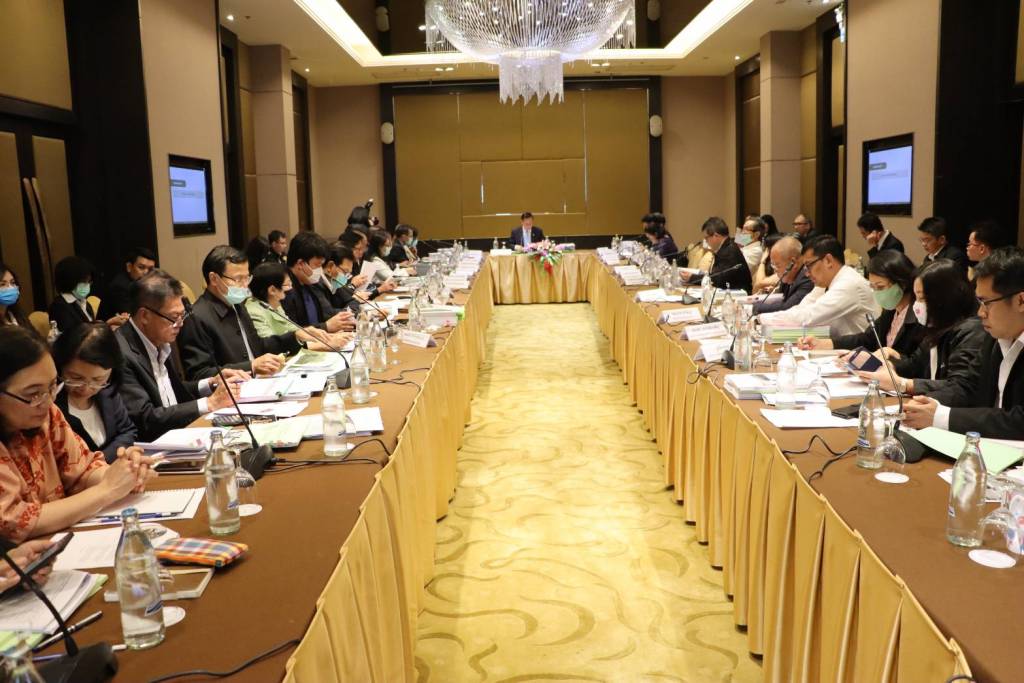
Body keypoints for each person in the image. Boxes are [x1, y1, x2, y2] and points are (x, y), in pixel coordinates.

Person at [0, 326, 155, 542]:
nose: (48, 402)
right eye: (34, 394)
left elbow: (83, 469)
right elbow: (13, 521)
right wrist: (107, 490)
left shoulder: (49, 416)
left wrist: (124, 472)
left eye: (52, 387)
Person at [903, 247, 1024, 438]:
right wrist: (923, 404)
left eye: (986, 302)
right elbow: (967, 387)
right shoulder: (996, 337)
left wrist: (941, 417)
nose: (981, 312)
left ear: (1021, 301)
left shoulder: (980, 331)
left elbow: (1019, 420)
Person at [117, 271, 246, 441]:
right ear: (145, 316)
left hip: (180, 434)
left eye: (182, 315)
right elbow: (145, 418)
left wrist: (211, 383)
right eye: (174, 317)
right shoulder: (121, 353)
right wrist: (209, 403)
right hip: (153, 446)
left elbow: (170, 392)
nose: (180, 323)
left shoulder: (159, 338)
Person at [854, 259, 985, 395]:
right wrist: (887, 364)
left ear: (946, 297)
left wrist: (903, 385)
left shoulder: (971, 332)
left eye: (922, 298)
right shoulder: (937, 327)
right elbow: (914, 364)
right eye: (916, 298)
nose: (917, 305)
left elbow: (958, 387)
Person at [178, 245, 300, 380]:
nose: (245, 285)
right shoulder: (196, 317)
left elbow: (258, 346)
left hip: (259, 381)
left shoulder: (238, 305)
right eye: (238, 279)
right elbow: (199, 374)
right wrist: (251, 366)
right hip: (234, 390)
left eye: (247, 278)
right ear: (214, 279)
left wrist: (296, 337)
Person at [799, 250, 925, 357]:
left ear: (902, 283)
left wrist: (892, 360)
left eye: (880, 287)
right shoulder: (892, 310)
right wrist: (824, 343)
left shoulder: (920, 315)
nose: (877, 293)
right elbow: (867, 339)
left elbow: (917, 364)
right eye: (873, 287)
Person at [758, 236, 879, 336]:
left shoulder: (848, 284)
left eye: (809, 265)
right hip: (841, 345)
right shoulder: (825, 283)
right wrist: (763, 319)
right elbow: (801, 309)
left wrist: (761, 319)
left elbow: (808, 317)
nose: (806, 273)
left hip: (862, 351)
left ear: (828, 261)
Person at [53, 323, 137, 463]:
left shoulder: (107, 390)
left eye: (98, 380)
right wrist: (96, 465)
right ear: (59, 367)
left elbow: (127, 431)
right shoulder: (52, 406)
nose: (86, 389)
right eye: (76, 378)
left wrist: (101, 460)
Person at [246, 263, 352, 352]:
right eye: (287, 285)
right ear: (272, 290)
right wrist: (324, 345)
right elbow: (273, 346)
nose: (291, 289)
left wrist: (328, 337)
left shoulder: (274, 303)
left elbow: (294, 331)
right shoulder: (254, 312)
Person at [280, 231, 354, 332]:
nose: (320, 270)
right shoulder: (284, 289)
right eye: (317, 265)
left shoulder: (311, 283)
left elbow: (324, 316)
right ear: (300, 263)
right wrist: (326, 327)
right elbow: (291, 331)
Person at [49, 256, 124, 335]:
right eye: (84, 281)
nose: (87, 285)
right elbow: (75, 336)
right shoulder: (59, 306)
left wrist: (109, 325)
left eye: (89, 282)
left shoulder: (85, 303)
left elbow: (92, 328)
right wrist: (107, 324)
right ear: (70, 280)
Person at [687, 217, 752, 293]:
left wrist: (692, 278)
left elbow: (716, 279)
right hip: (728, 291)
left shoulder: (729, 251)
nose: (705, 241)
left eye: (706, 238)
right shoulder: (726, 246)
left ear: (716, 236)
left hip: (738, 295)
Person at [752, 237, 814, 314]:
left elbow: (787, 308)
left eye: (777, 265)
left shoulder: (807, 277)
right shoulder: (789, 275)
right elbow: (781, 300)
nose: (775, 270)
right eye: (773, 265)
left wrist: (752, 307)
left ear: (793, 262)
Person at [97, 247, 157, 321]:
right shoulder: (120, 287)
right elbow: (135, 318)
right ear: (129, 267)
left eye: (150, 269)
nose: (146, 272)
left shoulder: (145, 285)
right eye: (141, 267)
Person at [0, 263, 37, 335]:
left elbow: (35, 337)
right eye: (3, 284)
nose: (10, 288)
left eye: (12, 283)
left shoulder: (17, 312)